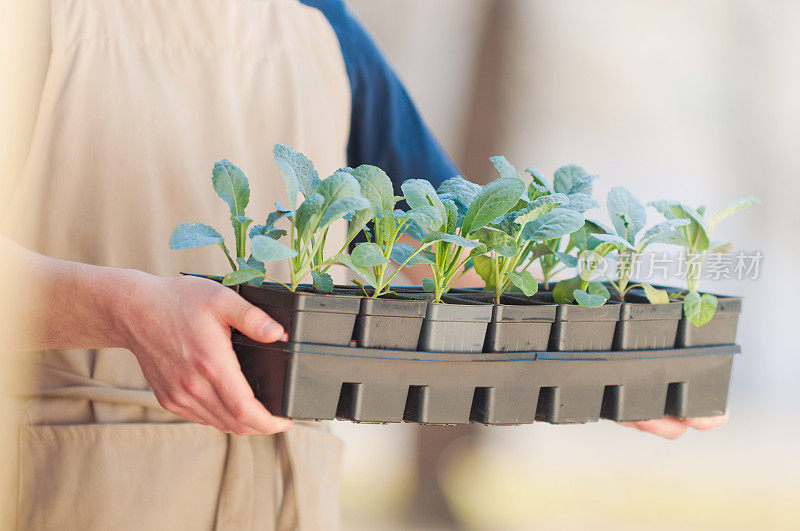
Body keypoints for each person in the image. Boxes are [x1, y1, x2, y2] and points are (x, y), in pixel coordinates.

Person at [0, 1, 726, 529]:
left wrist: (621, 348)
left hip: (285, 504)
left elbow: (462, 255)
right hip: (68, 494)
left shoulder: (323, 30)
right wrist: (123, 309)